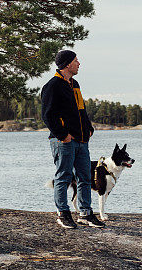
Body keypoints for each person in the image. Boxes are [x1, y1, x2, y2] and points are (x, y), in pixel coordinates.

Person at [41, 50, 105, 229]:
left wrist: (89, 128)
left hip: (82, 140)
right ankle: (63, 213)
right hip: (63, 141)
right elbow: (47, 115)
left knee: (85, 177)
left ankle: (85, 213)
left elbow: (81, 110)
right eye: (76, 61)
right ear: (68, 64)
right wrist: (63, 135)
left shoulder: (74, 84)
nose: (79, 63)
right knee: (63, 177)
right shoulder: (52, 86)